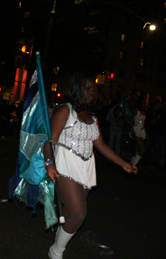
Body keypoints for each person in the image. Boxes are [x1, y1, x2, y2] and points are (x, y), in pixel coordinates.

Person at [43, 72, 137, 259]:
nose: (93, 92)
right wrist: (49, 164)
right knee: (78, 214)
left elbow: (100, 145)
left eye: (94, 88)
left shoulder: (93, 117)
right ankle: (56, 251)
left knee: (71, 213)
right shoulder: (64, 110)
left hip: (86, 167)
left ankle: (59, 239)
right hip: (65, 164)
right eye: (88, 88)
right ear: (77, 89)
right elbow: (50, 141)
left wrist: (123, 163)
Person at [130, 99, 147, 165]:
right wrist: (132, 130)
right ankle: (133, 165)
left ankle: (132, 164)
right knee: (142, 149)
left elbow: (143, 123)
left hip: (141, 131)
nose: (145, 104)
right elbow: (131, 121)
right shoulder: (136, 111)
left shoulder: (143, 112)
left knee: (137, 150)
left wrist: (145, 133)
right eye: (144, 102)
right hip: (136, 130)